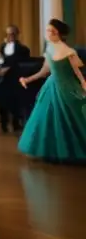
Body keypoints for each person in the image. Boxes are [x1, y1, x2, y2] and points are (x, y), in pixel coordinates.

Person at [18, 19, 86, 163]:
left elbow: (78, 72)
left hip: (68, 87)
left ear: (57, 33)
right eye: (48, 30)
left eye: (50, 30)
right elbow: (45, 71)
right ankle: (53, 151)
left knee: (73, 117)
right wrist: (28, 79)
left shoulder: (69, 51)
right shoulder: (49, 49)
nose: (48, 33)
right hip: (52, 87)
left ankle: (74, 151)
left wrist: (84, 84)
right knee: (47, 118)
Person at [0, 25, 31, 132]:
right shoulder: (2, 47)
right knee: (2, 101)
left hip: (15, 78)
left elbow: (21, 62)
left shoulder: (23, 49)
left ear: (16, 35)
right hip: (2, 79)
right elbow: (0, 59)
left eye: (12, 34)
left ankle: (16, 124)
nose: (9, 36)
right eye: (7, 34)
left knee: (16, 101)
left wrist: (8, 68)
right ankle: (3, 124)